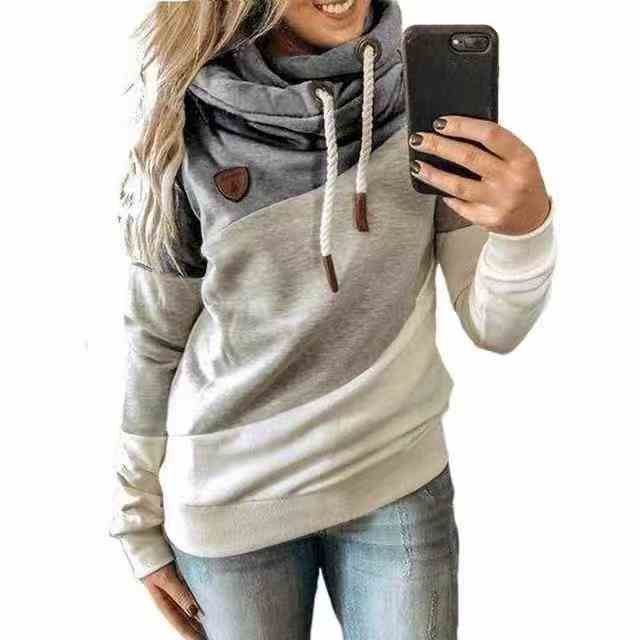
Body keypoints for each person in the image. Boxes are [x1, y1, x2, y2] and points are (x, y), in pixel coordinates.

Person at [109, 1, 556, 638]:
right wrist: (136, 521)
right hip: (230, 501)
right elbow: (155, 340)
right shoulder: (184, 121)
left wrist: (526, 227)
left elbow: (494, 326)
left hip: (396, 479)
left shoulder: (428, 107)